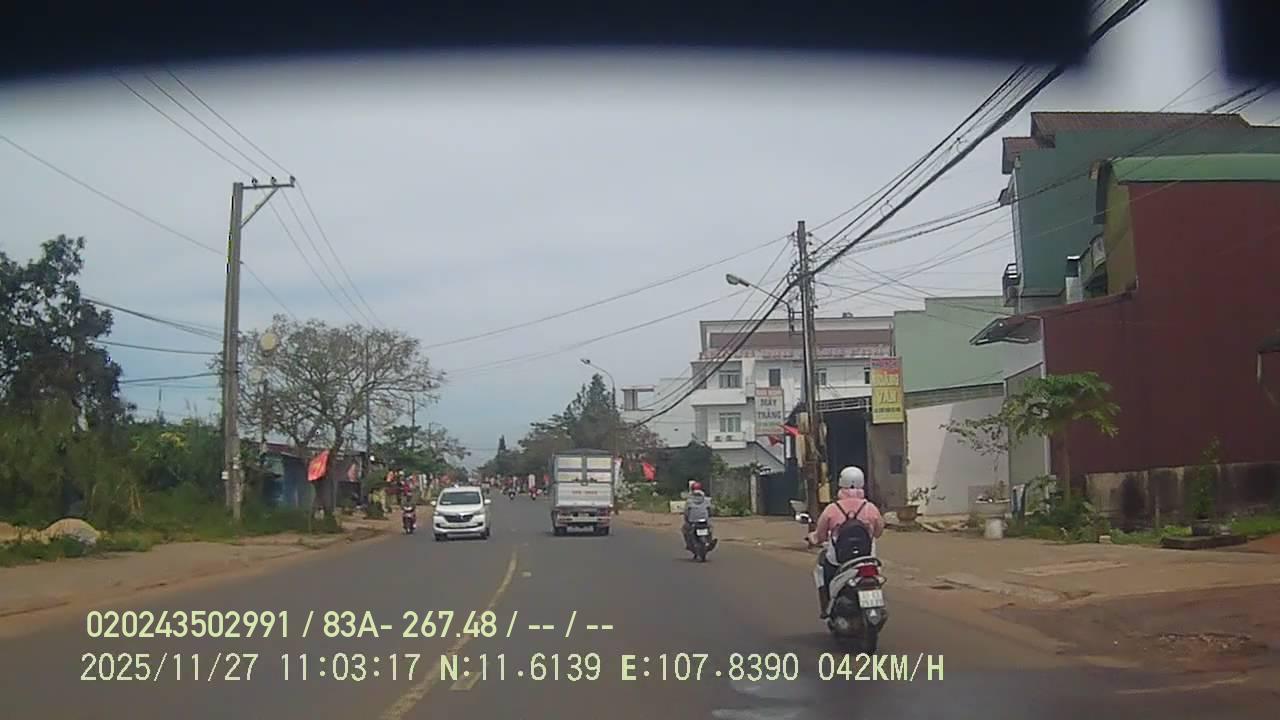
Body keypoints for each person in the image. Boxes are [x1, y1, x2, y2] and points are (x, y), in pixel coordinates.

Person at [806, 466, 885, 618]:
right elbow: (878, 532)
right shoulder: (870, 508)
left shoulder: (832, 509)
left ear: (841, 483)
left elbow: (820, 536)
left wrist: (813, 538)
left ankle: (827, 607)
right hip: (867, 558)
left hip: (839, 561)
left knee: (823, 571)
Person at [682, 480, 712, 551]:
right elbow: (710, 510)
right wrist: (708, 516)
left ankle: (689, 544)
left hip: (693, 521)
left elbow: (686, 512)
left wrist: (686, 519)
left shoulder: (689, 501)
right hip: (704, 520)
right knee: (710, 529)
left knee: (684, 529)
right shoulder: (706, 499)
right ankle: (709, 541)